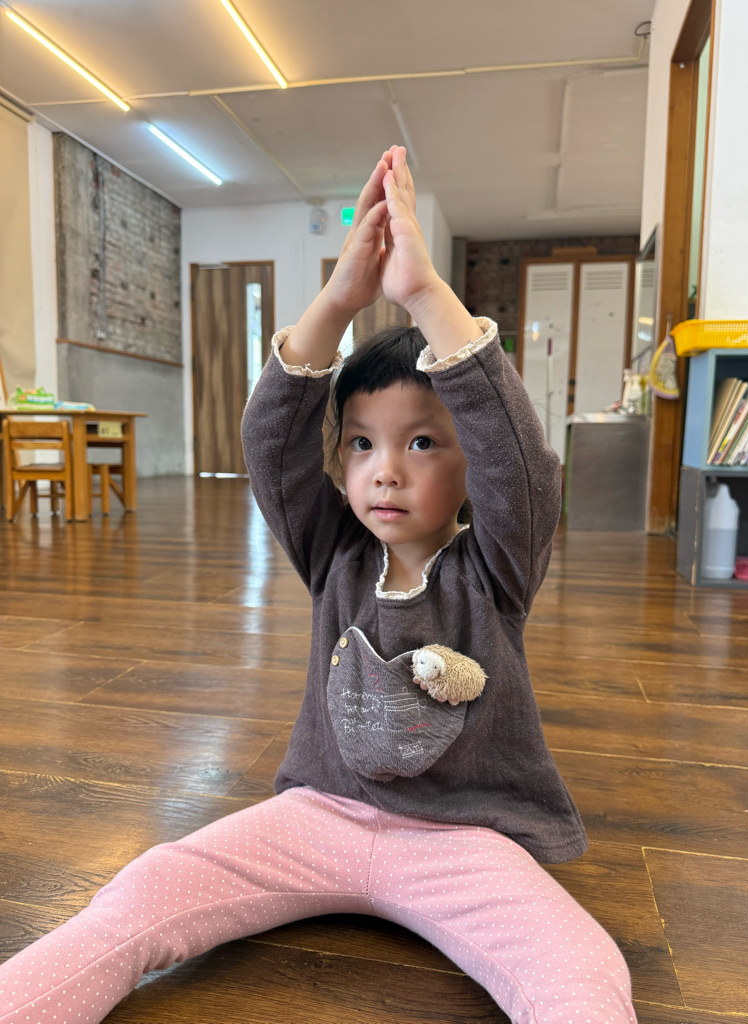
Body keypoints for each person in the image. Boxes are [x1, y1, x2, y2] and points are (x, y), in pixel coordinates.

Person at [0, 147, 636, 1024]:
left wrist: (424, 295)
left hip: (465, 840)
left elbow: (520, 459)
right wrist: (338, 299)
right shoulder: (332, 551)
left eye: (422, 443)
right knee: (144, 890)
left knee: (580, 969)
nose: (385, 470)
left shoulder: (498, 564)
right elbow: (270, 444)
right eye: (363, 443)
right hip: (318, 819)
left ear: (469, 466)